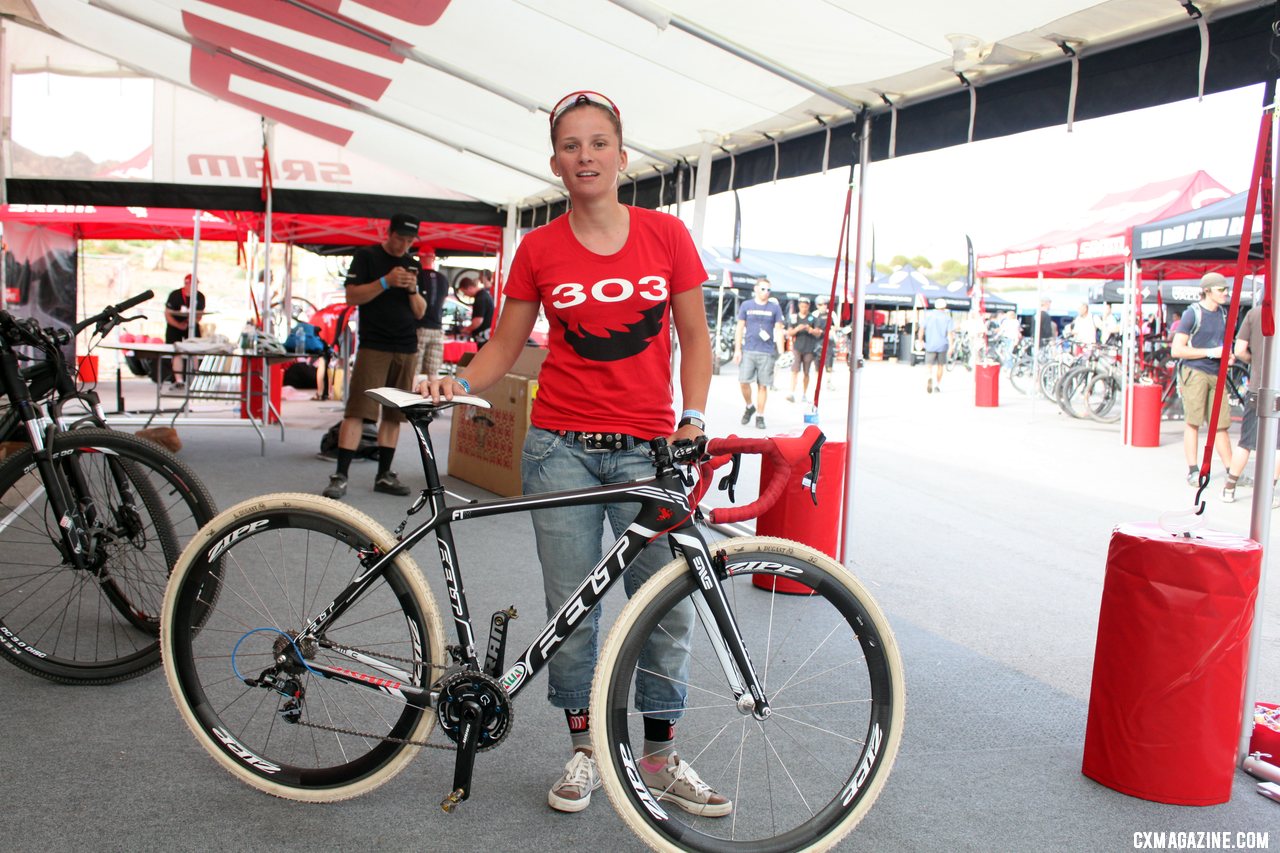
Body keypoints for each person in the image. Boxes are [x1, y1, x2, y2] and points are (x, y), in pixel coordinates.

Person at [418, 90, 724, 818]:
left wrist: (694, 413)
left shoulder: (666, 235)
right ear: (555, 161)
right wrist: (455, 380)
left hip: (650, 450)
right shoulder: (541, 249)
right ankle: (587, 750)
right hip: (559, 448)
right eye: (570, 145)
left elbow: (695, 337)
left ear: (621, 153)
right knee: (572, 611)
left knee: (666, 605)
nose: (584, 156)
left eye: (597, 142)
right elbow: (505, 345)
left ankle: (658, 753)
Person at [321, 213, 426, 500]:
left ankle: (384, 474)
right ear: (388, 232)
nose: (404, 244)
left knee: (394, 414)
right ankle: (340, 475)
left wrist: (412, 289)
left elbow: (420, 312)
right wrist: (385, 282)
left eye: (409, 240)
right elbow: (352, 297)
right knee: (358, 410)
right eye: (399, 238)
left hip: (406, 347)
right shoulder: (366, 256)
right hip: (374, 345)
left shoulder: (413, 265)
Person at [1171, 272, 1234, 485]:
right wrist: (1210, 352)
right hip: (1196, 372)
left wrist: (1227, 355)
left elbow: (1222, 346)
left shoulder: (1224, 314)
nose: (1226, 293)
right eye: (1221, 289)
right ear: (1207, 291)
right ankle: (1193, 470)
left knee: (1221, 424)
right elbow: (1176, 350)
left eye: (1226, 289)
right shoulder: (1192, 313)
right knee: (1193, 422)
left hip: (1217, 373)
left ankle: (1232, 471)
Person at [1222, 303, 1280, 504]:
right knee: (1278, 445)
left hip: (1256, 386)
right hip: (1278, 388)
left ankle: (1230, 486)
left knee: (1246, 441)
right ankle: (1269, 492)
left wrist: (1255, 362)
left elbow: (1238, 350)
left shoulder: (1254, 314)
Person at [734, 278, 784, 428]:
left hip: (767, 351)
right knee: (743, 381)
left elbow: (779, 330)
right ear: (756, 289)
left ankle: (760, 417)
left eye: (768, 290)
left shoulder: (774, 307)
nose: (766, 292)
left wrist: (781, 353)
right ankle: (750, 406)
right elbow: (740, 328)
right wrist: (738, 349)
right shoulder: (746, 305)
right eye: (763, 289)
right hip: (749, 349)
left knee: (763, 385)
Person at [163, 273, 206, 388]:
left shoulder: (200, 296)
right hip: (175, 326)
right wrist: (178, 325)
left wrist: (189, 322)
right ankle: (179, 380)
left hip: (191, 325)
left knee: (194, 350)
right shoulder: (175, 295)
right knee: (177, 352)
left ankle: (195, 377)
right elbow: (167, 314)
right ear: (186, 283)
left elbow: (199, 315)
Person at [414, 246, 450, 380]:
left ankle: (409, 400)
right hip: (437, 328)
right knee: (433, 372)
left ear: (420, 257)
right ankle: (434, 400)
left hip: (419, 327)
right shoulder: (443, 279)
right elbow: (443, 301)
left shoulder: (416, 276)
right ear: (433, 258)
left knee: (414, 370)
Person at [785, 296, 819, 402]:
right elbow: (789, 332)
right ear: (799, 306)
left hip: (809, 348)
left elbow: (818, 333)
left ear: (808, 306)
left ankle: (804, 393)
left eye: (805, 306)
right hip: (797, 347)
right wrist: (797, 329)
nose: (803, 308)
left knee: (806, 372)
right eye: (802, 306)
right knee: (794, 370)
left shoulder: (812, 318)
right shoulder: (794, 318)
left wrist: (810, 330)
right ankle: (791, 392)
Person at [918, 298, 955, 393]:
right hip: (942, 345)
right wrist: (951, 346)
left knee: (929, 365)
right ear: (944, 307)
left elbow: (921, 329)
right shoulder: (947, 318)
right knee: (940, 366)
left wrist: (920, 340)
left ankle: (929, 376)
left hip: (930, 344)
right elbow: (950, 333)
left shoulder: (928, 316)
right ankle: (937, 385)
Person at [459, 275, 494, 345]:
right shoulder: (483, 296)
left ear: (470, 288)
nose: (465, 295)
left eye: (464, 292)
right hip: (485, 336)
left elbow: (478, 320)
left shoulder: (481, 298)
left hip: (483, 338)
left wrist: (466, 330)